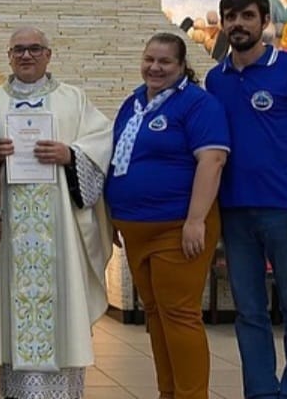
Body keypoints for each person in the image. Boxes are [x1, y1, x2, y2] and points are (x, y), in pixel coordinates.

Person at [205, 0, 287, 399]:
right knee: (249, 313)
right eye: (230, 17)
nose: (238, 24)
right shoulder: (215, 79)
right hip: (235, 212)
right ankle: (260, 393)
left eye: (247, 16)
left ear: (264, 21)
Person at [0, 27, 114, 399]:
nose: (26, 55)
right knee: (13, 313)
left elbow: (100, 144)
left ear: (48, 54)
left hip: (61, 230)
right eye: (18, 50)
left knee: (62, 310)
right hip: (9, 229)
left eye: (34, 49)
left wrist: (70, 154)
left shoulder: (72, 99)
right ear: (9, 56)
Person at [105, 32, 229, 399]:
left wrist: (196, 220)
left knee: (179, 315)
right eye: (149, 59)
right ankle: (168, 393)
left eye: (165, 62)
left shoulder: (198, 104)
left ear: (182, 66)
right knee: (156, 315)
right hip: (135, 229)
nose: (155, 67)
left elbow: (212, 160)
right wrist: (112, 215)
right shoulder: (133, 103)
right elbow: (116, 160)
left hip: (177, 227)